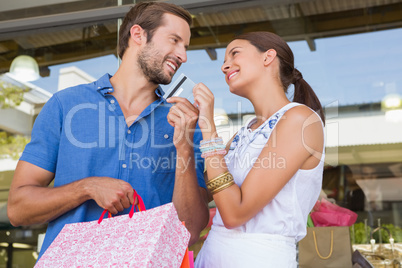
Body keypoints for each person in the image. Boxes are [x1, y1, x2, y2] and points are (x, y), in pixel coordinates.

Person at [7, 2, 209, 260]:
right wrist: (86, 188)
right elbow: (18, 209)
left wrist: (183, 147)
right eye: (174, 40)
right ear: (138, 35)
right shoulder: (65, 105)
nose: (183, 55)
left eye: (185, 46)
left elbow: (190, 230)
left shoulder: (185, 123)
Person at [184, 31, 326, 267]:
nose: (224, 66)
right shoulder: (243, 134)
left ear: (268, 57)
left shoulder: (300, 119)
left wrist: (208, 127)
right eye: (223, 60)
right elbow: (201, 202)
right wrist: (183, 143)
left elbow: (234, 213)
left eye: (235, 53)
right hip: (210, 257)